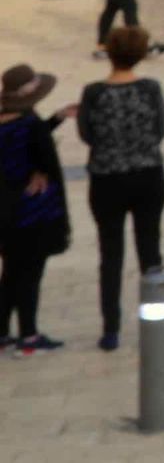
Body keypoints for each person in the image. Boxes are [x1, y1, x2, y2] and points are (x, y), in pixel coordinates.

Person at [79, 26, 164, 351]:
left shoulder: (94, 93)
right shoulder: (150, 89)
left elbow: (87, 135)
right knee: (150, 249)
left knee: (110, 254)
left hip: (107, 180)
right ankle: (155, 321)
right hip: (147, 175)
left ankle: (111, 328)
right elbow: (160, 130)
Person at [0, 61, 71, 355]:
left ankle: (2, 334)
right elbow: (42, 154)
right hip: (34, 212)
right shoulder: (28, 124)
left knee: (10, 274)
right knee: (30, 274)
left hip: (5, 211)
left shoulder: (10, 121)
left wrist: (56, 119)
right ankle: (29, 337)